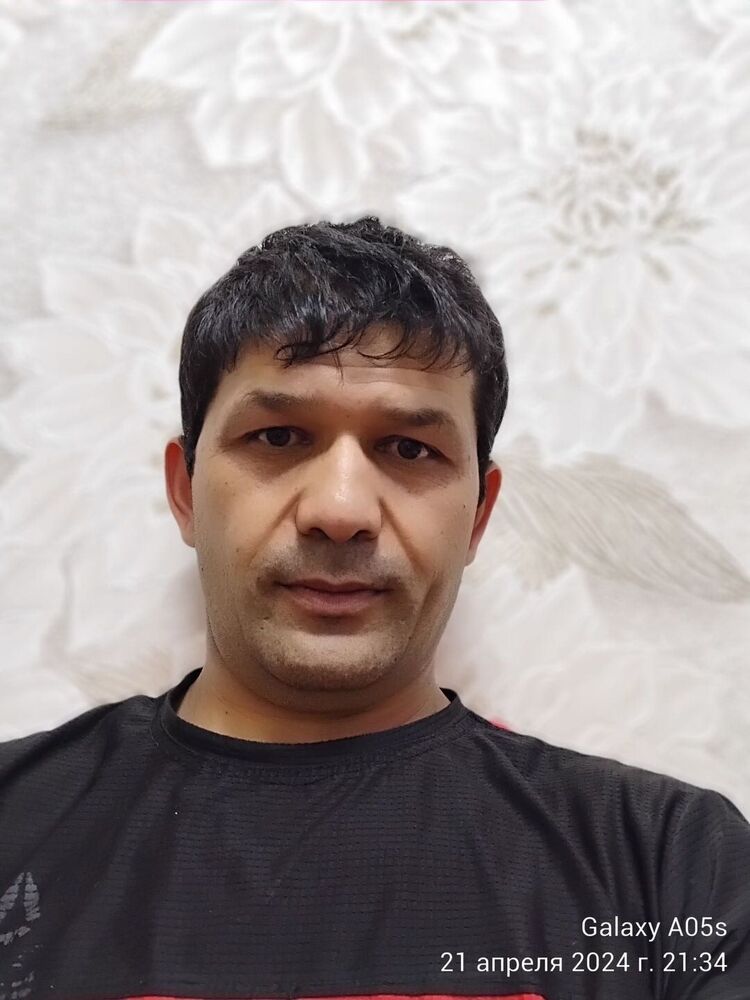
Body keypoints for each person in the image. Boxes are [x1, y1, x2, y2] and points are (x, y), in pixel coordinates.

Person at [1, 217, 748, 1000]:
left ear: (479, 517)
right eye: (279, 436)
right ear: (185, 492)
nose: (341, 510)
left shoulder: (671, 869)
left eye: (410, 449)